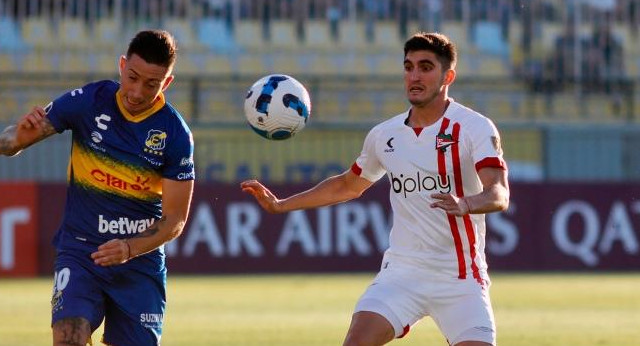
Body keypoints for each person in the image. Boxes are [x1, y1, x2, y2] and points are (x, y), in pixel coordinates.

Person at [241, 32, 509, 346]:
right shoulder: (385, 135)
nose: (414, 76)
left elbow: (499, 193)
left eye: (425, 67)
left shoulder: (473, 127)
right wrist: (281, 205)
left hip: (461, 278)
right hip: (402, 273)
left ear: (447, 76)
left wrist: (465, 204)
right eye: (409, 67)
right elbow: (347, 185)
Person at [0, 30, 195, 345]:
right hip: (81, 251)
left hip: (138, 264)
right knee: (68, 337)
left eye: (151, 84)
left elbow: (175, 220)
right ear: (121, 66)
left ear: (166, 84)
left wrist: (129, 248)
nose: (136, 92)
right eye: (132, 77)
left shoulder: (175, 134)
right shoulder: (89, 101)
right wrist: (20, 134)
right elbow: (10, 144)